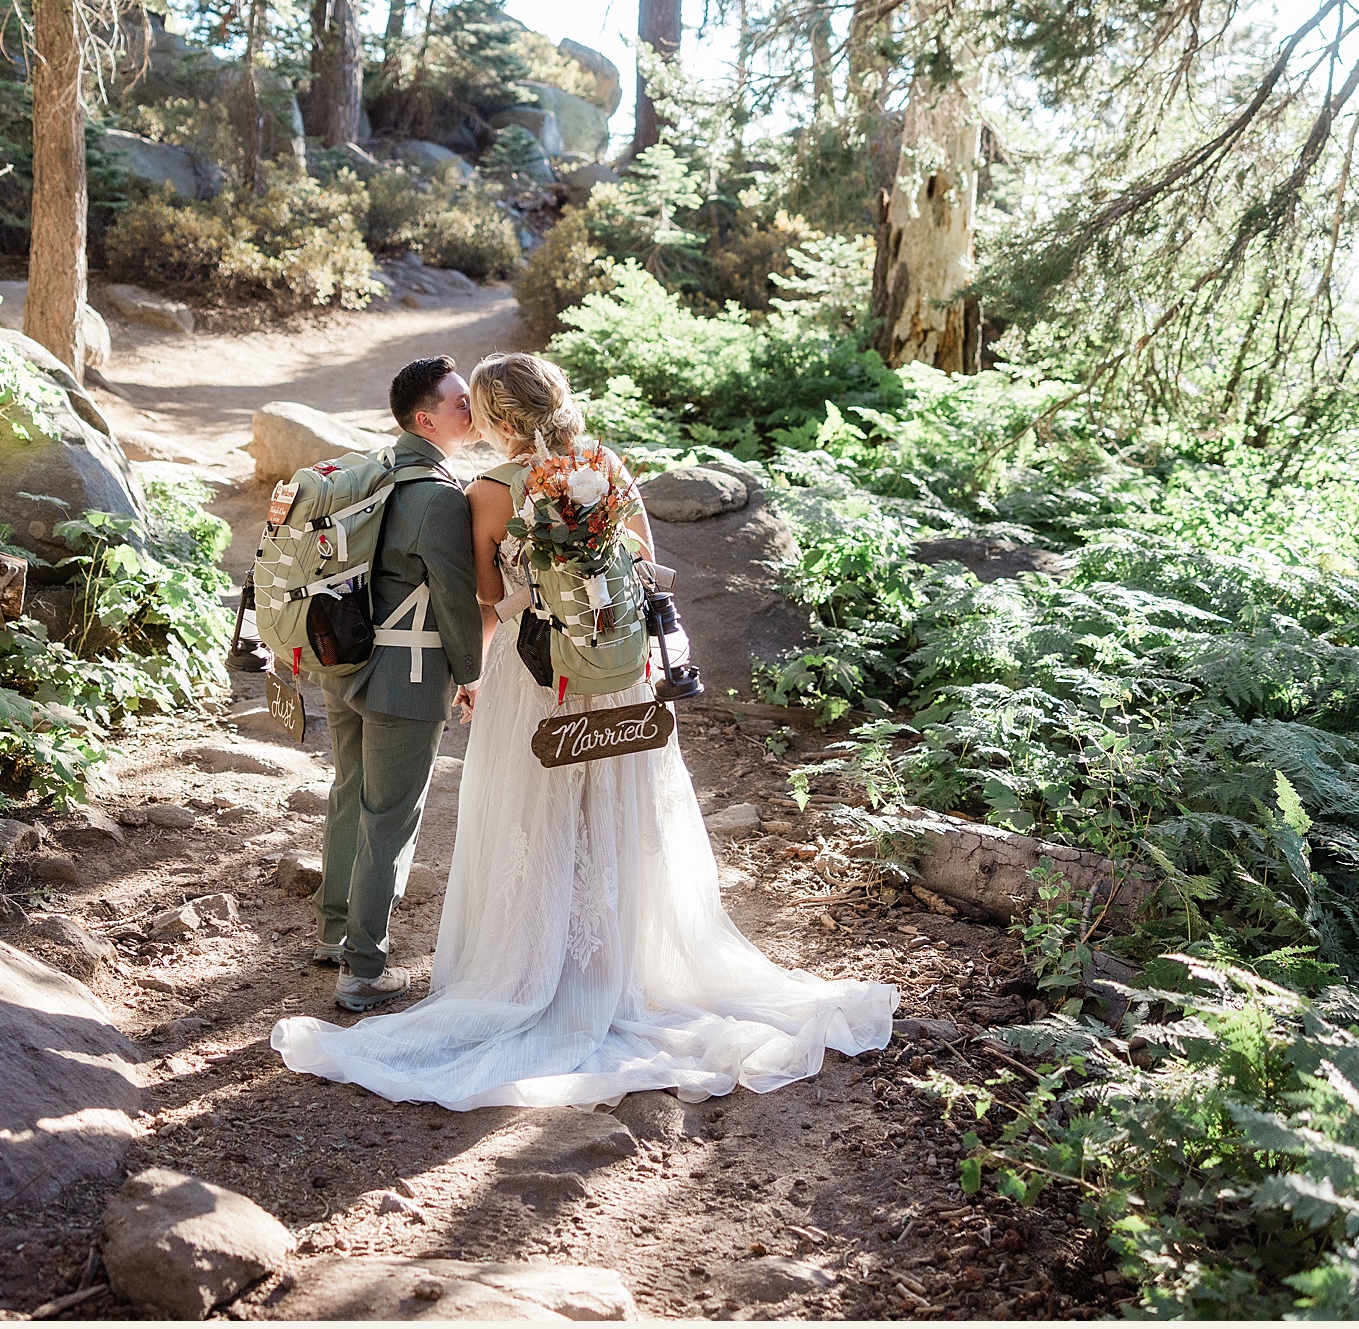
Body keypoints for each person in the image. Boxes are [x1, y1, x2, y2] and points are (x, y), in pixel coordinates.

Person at [273, 352, 895, 1106]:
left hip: (534, 678)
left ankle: (530, 963)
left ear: (499, 422)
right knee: (612, 808)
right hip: (614, 672)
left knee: (531, 812)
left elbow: (490, 597)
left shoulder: (490, 492)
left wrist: (470, 675)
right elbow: (645, 570)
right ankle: (620, 961)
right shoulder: (606, 466)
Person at [310, 355, 488, 1013]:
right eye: (459, 402)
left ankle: (335, 933)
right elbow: (455, 599)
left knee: (351, 796)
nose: (469, 410)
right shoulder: (438, 498)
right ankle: (363, 970)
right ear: (425, 419)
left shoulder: (376, 473)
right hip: (405, 677)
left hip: (345, 660)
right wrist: (470, 676)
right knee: (391, 820)